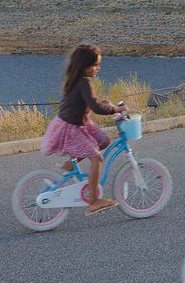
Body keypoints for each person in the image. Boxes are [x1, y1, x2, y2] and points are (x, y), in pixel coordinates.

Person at [40, 43, 126, 214]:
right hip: (71, 128)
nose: (97, 68)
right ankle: (94, 201)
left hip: (78, 122)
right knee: (97, 159)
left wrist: (102, 102)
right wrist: (115, 109)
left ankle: (70, 165)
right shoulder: (83, 83)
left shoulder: (77, 80)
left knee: (104, 140)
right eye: (94, 65)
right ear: (83, 66)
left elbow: (87, 103)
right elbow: (96, 108)